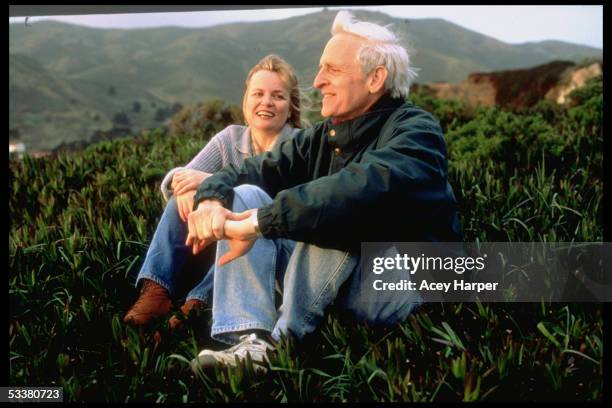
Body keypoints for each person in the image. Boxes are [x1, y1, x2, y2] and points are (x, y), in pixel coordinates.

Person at [186, 11, 463, 372]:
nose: (317, 81)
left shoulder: (417, 130)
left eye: (332, 70)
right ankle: (249, 337)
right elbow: (250, 170)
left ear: (376, 78)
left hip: (402, 283)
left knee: (336, 208)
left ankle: (283, 346)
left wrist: (258, 223)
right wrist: (211, 198)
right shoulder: (324, 135)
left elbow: (362, 190)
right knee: (246, 194)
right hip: (340, 277)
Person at [123, 54, 303, 329]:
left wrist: (209, 182)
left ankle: (198, 303)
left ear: (290, 107)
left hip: (271, 246)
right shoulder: (230, 137)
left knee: (241, 198)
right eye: (258, 94)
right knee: (184, 198)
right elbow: (177, 177)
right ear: (245, 102)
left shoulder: (299, 145)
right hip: (217, 235)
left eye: (277, 96)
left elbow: (274, 205)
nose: (266, 102)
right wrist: (183, 185)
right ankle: (156, 291)